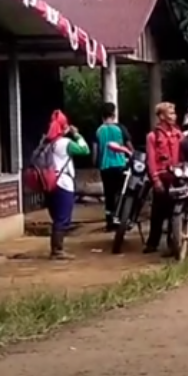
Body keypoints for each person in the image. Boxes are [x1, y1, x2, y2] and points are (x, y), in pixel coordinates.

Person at [43, 110, 90, 260]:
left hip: (49, 182)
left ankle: (56, 248)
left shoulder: (46, 142)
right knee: (63, 218)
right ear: (64, 127)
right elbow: (85, 150)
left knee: (57, 217)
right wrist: (77, 135)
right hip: (63, 183)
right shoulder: (65, 143)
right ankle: (57, 251)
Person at [145, 102, 182, 254]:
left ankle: (173, 243)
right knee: (158, 213)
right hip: (162, 177)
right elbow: (151, 160)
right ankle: (152, 243)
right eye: (170, 113)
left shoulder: (179, 134)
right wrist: (155, 180)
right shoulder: (152, 136)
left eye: (174, 113)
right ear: (161, 116)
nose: (173, 116)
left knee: (175, 211)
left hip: (177, 177)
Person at [93, 102, 132, 231]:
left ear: (102, 115)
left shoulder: (99, 131)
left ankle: (110, 223)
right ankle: (122, 219)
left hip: (105, 167)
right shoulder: (121, 128)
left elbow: (95, 151)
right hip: (121, 165)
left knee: (109, 194)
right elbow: (129, 146)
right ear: (114, 114)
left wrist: (96, 164)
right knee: (121, 193)